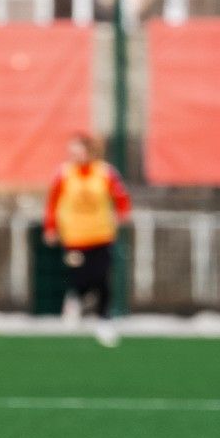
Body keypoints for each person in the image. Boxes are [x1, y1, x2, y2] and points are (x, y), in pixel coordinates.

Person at [44, 132, 131, 348]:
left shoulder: (105, 172)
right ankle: (75, 299)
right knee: (81, 277)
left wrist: (122, 213)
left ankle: (104, 321)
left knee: (102, 278)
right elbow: (52, 203)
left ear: (89, 150)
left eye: (78, 149)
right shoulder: (64, 174)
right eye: (71, 151)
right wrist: (51, 228)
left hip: (101, 234)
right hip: (75, 237)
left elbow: (121, 197)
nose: (74, 154)